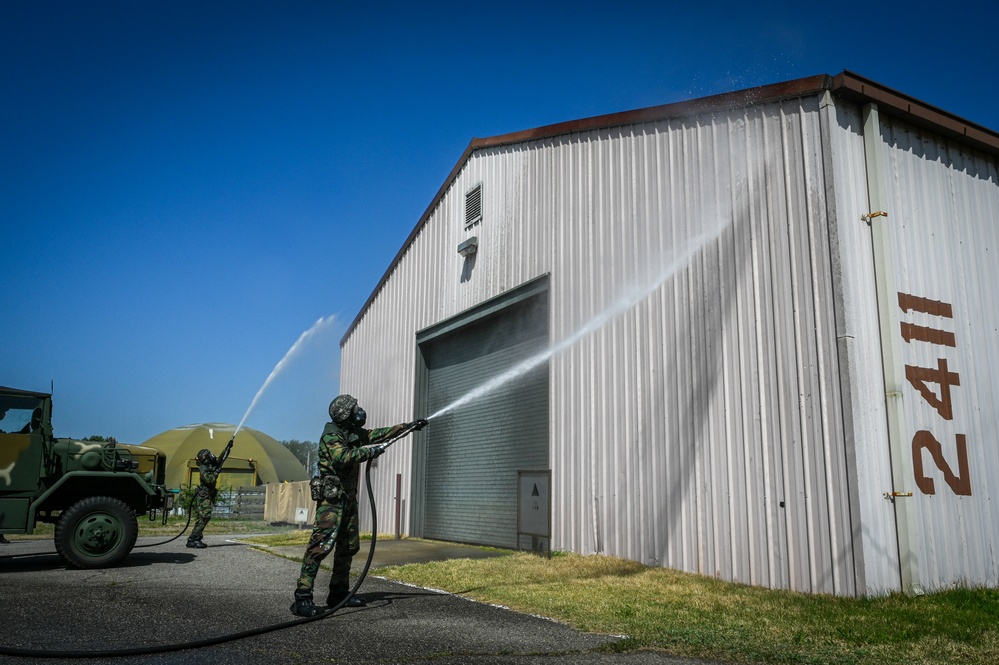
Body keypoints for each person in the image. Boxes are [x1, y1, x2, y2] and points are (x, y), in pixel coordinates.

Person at [290, 394, 426, 617]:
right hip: (331, 503)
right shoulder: (331, 435)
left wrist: (407, 427)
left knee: (347, 548)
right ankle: (302, 598)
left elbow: (374, 434)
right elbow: (342, 457)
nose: (359, 411)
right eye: (355, 409)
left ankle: (339, 595)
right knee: (319, 548)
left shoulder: (350, 433)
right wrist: (369, 452)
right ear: (345, 414)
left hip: (347, 500)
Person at [186, 442, 231, 549]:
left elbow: (221, 459)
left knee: (203, 517)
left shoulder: (210, 466)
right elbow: (209, 480)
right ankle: (194, 539)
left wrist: (227, 448)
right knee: (205, 516)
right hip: (203, 495)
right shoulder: (203, 468)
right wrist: (216, 472)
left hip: (208, 494)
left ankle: (195, 538)